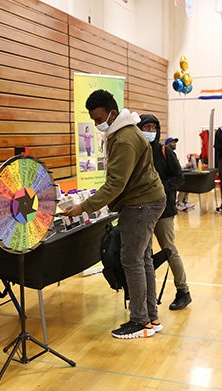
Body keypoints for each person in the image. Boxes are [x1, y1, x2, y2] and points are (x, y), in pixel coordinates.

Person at [62, 89, 166, 339]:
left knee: (131, 260)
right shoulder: (124, 132)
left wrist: (83, 206)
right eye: (94, 121)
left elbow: (115, 184)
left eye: (99, 119)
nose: (98, 124)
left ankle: (140, 321)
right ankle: (150, 317)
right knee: (143, 259)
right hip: (146, 201)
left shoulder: (124, 138)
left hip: (141, 204)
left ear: (112, 112)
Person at [138, 114, 192, 311]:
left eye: (153, 127)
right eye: (146, 127)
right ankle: (142, 296)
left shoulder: (165, 151)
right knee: (142, 254)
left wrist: (160, 187)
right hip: (140, 211)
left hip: (164, 210)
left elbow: (179, 178)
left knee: (169, 248)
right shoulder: (135, 151)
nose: (150, 131)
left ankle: (183, 291)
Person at [165, 137, 194, 211]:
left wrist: (185, 166)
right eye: (173, 142)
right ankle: (179, 202)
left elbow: (176, 167)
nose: (175, 144)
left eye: (175, 142)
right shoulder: (166, 154)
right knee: (183, 184)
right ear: (167, 144)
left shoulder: (173, 153)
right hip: (169, 179)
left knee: (187, 182)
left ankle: (184, 201)